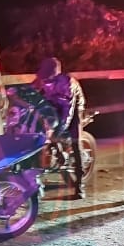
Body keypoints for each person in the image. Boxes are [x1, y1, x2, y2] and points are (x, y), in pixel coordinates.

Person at [36, 56, 88, 199]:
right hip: (55, 103)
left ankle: (79, 185)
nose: (45, 82)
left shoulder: (67, 84)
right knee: (44, 127)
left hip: (73, 106)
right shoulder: (43, 79)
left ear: (55, 74)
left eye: (47, 79)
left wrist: (58, 132)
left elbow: (67, 114)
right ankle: (56, 152)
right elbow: (33, 92)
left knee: (76, 142)